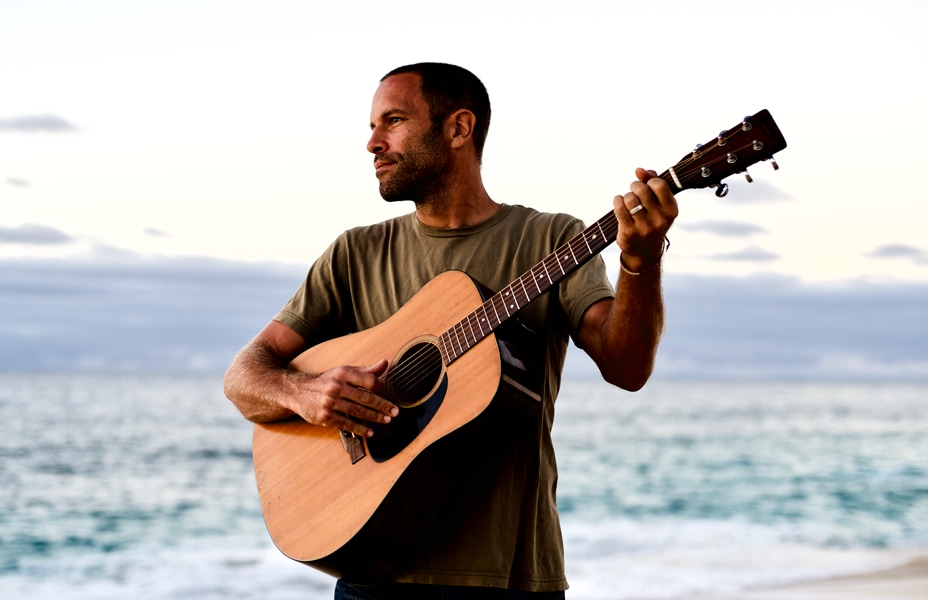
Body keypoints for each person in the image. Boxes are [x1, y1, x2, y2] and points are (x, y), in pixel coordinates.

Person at [224, 62, 678, 599]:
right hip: (374, 574)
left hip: (509, 578)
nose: (373, 143)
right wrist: (304, 392)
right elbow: (243, 376)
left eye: (392, 121)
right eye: (372, 126)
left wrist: (640, 264)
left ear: (459, 129)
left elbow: (626, 368)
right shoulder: (355, 253)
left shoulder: (552, 238)